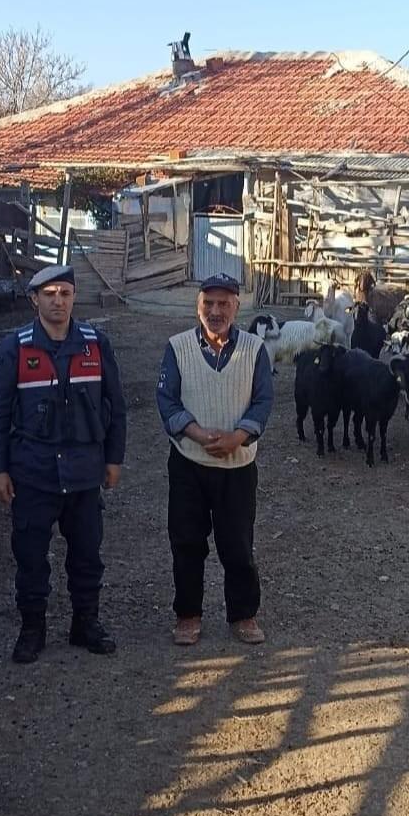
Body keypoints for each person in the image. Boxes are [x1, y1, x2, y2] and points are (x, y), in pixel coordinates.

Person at [0, 265, 126, 664]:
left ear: (74, 297)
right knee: (30, 556)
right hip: (33, 473)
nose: (57, 300)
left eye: (64, 292)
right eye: (49, 294)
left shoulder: (96, 345)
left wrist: (114, 459)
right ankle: (32, 629)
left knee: (87, 555)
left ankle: (86, 624)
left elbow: (116, 406)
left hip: (84, 473)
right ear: (34, 299)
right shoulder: (15, 347)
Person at [155, 273, 274, 646]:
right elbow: (167, 401)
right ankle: (188, 615)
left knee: (238, 544)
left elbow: (263, 401)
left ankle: (243, 615)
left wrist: (237, 437)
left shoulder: (254, 349)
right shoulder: (177, 348)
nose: (216, 311)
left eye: (224, 304)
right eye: (209, 303)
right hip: (189, 462)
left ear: (237, 307)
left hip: (237, 465)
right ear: (198, 306)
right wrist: (197, 433)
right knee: (187, 542)